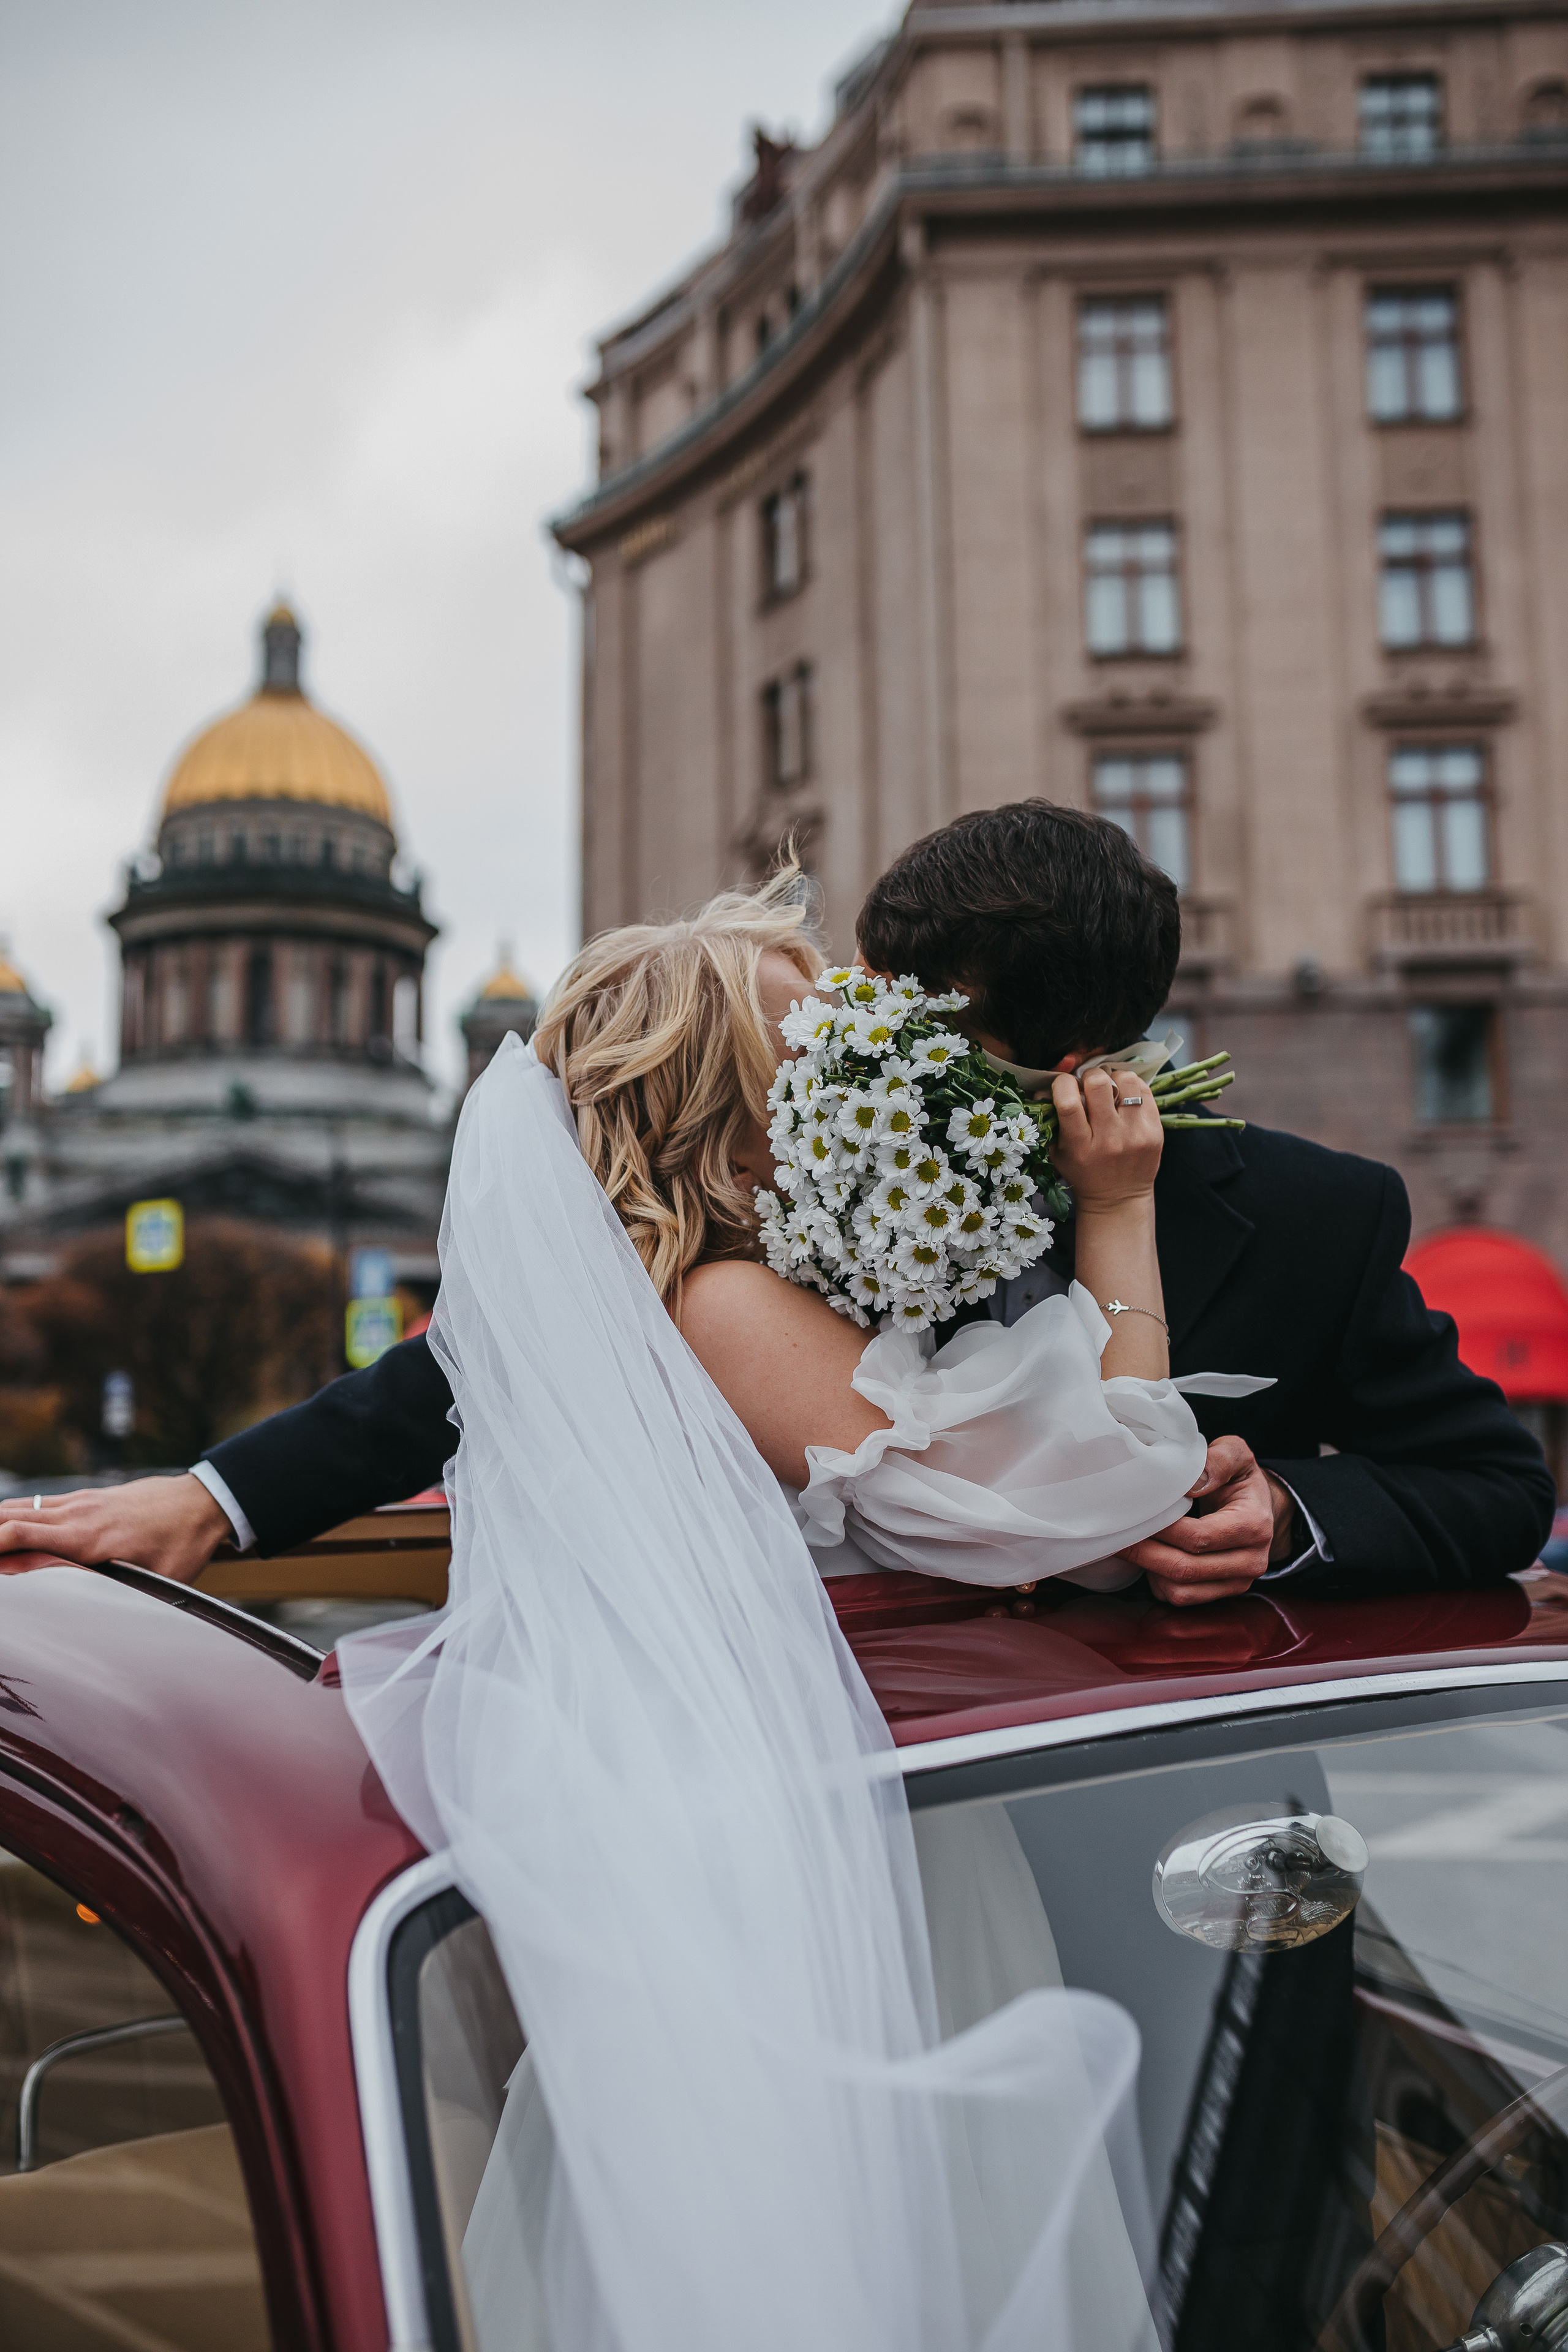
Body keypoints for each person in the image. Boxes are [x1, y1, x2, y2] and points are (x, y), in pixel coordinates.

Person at [326, 873, 1230, 2352]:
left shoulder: (669, 1301)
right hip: (837, 1861)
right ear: (733, 1099)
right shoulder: (718, 1309)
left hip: (816, 1824)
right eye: (815, 1040)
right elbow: (1091, 1483)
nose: (856, 1062)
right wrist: (1116, 1212)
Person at [1, 801, 1552, 1591]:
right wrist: (213, 1498)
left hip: (1184, 1815)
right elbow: (499, 1348)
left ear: (1066, 1051)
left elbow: (1493, 1488)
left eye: (906, 1023)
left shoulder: (1313, 1215)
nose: (853, 1050)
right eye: (862, 1001)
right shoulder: (789, 1200)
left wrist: (1290, 1516)